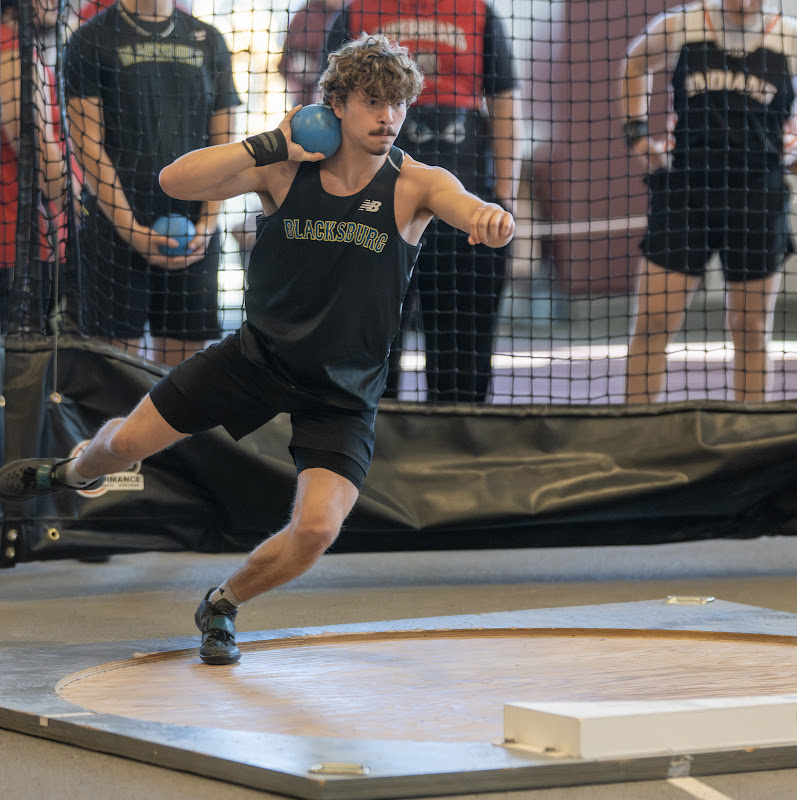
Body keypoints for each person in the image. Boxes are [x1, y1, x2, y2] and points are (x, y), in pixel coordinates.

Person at [0, 34, 515, 666]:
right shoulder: (284, 169)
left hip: (343, 391)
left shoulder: (416, 184)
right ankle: (70, 472)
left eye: (399, 104)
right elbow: (174, 179)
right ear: (336, 105)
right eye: (373, 102)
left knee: (317, 530)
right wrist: (272, 142)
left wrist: (490, 217)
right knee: (125, 446)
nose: (388, 118)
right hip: (255, 358)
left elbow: (469, 207)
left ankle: (222, 603)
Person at [326, 0, 520, 403]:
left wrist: (505, 195)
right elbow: (330, 108)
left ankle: (457, 440)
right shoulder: (355, 13)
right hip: (374, 205)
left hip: (463, 204)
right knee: (371, 337)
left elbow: (503, 102)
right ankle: (370, 440)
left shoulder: (478, 13)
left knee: (462, 339)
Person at [622, 0, 797, 403]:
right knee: (652, 323)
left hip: (759, 198)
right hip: (686, 194)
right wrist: (637, 132)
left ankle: (748, 440)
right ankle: (634, 433)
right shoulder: (680, 25)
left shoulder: (787, 37)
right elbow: (634, 63)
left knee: (751, 328)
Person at [64, 0, 241, 366]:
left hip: (194, 230)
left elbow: (225, 145)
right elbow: (87, 146)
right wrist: (131, 230)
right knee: (113, 377)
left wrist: (206, 226)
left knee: (182, 382)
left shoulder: (209, 40)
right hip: (115, 232)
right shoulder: (89, 39)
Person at [1, 0, 68, 334]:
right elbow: (38, 152)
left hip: (23, 243)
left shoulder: (21, 48)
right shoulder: (12, 54)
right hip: (18, 247)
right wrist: (79, 199)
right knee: (22, 373)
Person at [277, 0, 349, 108]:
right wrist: (300, 67)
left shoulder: (350, 14)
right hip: (305, 98)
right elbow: (284, 62)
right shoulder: (305, 14)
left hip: (340, 100)